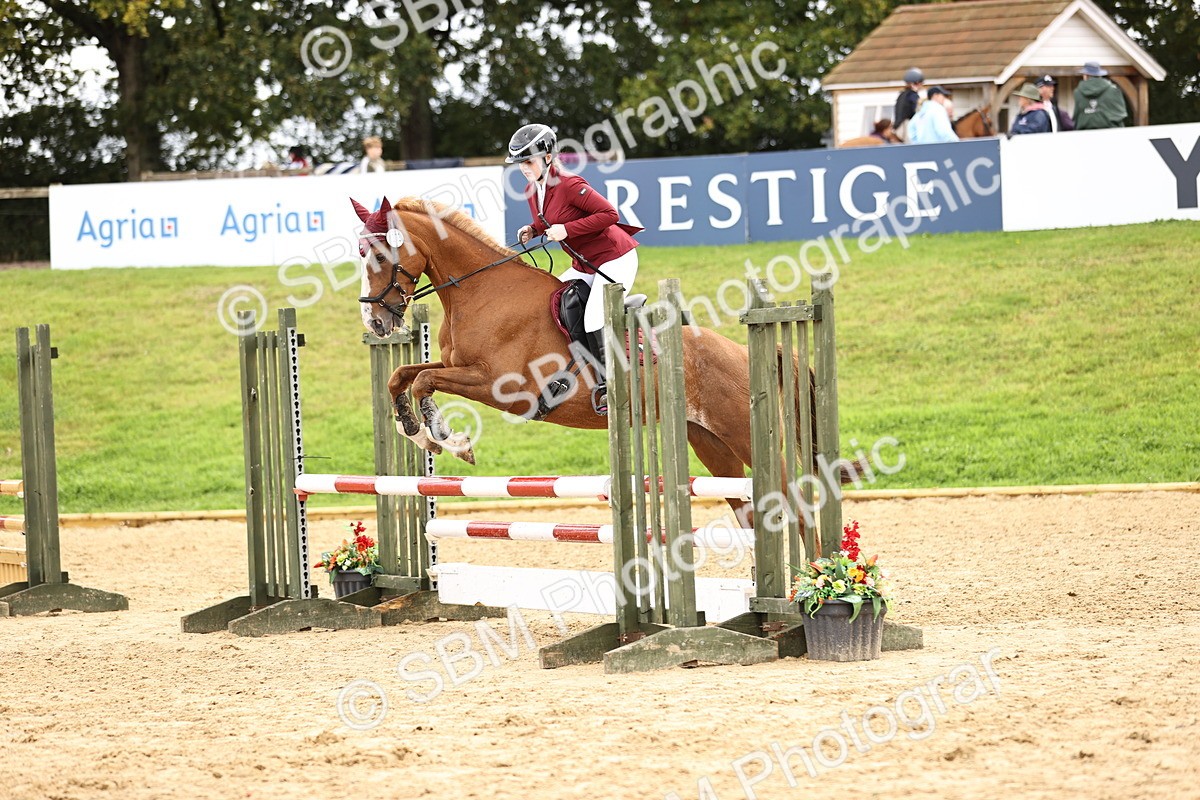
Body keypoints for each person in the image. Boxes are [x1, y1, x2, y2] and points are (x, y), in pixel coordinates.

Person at [508, 123, 640, 410]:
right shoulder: (533, 190)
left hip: (613, 259)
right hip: (583, 265)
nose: (524, 169)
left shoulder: (570, 184)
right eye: (520, 164)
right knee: (550, 298)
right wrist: (533, 229)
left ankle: (609, 384)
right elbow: (548, 221)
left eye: (527, 161)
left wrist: (567, 230)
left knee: (593, 318)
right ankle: (576, 364)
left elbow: (609, 214)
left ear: (546, 157)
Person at [1073, 62, 1126, 130]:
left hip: (1086, 137)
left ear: (1086, 75)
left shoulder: (1077, 93)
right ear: (1099, 75)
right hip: (1111, 135)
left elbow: (1076, 117)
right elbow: (1120, 115)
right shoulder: (1113, 90)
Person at [893, 67, 924, 140]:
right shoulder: (913, 96)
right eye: (920, 83)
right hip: (907, 127)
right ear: (916, 83)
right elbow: (918, 112)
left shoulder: (902, 95)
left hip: (898, 127)